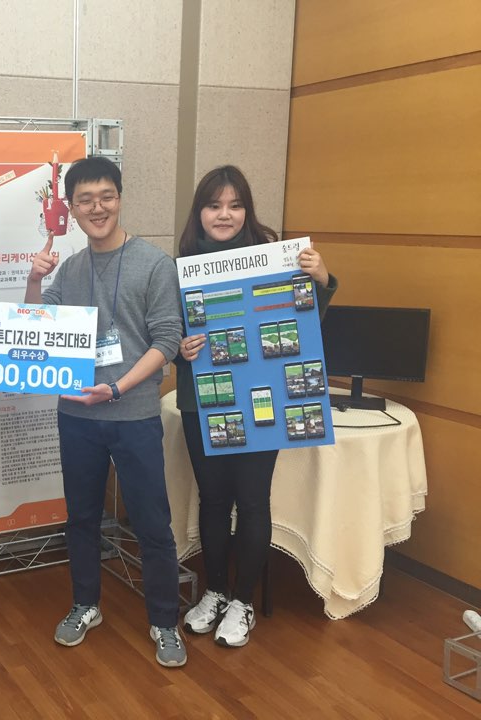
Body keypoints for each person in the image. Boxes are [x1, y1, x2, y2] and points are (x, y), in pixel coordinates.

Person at [25, 156, 187, 668]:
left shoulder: (154, 264)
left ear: (119, 198)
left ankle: (165, 621)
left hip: (134, 413)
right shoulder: (71, 268)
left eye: (106, 197)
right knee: (82, 518)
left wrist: (116, 388)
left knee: (152, 522)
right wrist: (33, 281)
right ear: (71, 209)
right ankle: (85, 605)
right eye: (85, 200)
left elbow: (168, 340)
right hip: (78, 415)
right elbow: (37, 326)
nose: (97, 208)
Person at [175, 165, 338, 648]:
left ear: (247, 210)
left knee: (251, 500)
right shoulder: (182, 265)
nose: (224, 214)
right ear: (199, 212)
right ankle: (215, 591)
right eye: (214, 205)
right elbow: (164, 331)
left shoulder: (275, 258)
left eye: (235, 205)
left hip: (263, 400)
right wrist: (180, 347)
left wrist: (322, 278)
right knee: (212, 499)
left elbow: (303, 324)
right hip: (202, 402)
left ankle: (242, 601)